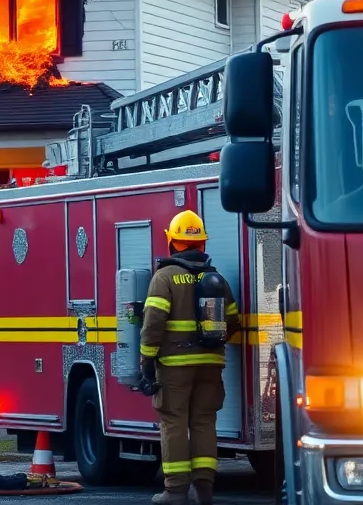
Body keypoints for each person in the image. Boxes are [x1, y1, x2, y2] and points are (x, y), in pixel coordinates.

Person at [139, 209, 240, 505]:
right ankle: (204, 489)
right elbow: (233, 322)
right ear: (201, 245)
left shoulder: (164, 278)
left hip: (173, 367)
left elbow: (153, 324)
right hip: (211, 364)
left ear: (172, 242)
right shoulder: (216, 278)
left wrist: (147, 361)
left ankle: (175, 491)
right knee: (204, 422)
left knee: (173, 423)